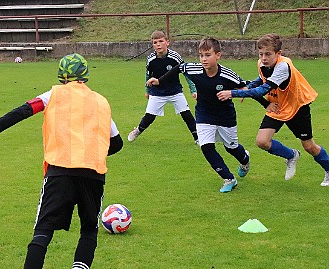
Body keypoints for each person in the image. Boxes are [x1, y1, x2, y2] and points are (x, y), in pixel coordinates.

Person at [0, 53, 123, 269]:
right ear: (85, 75)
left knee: (43, 232)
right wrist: (88, 152)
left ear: (61, 76)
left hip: (59, 172)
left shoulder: (52, 95)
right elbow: (117, 143)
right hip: (93, 174)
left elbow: (19, 113)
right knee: (89, 230)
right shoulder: (101, 102)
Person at [217, 33, 329, 186]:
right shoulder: (262, 64)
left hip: (297, 107)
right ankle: (291, 155)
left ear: (278, 54)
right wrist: (247, 87)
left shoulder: (283, 66)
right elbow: (261, 80)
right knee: (262, 141)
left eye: (268, 54)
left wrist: (234, 93)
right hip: (278, 106)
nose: (264, 58)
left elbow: (261, 90)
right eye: (261, 54)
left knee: (309, 146)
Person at [147, 37, 250, 193]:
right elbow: (178, 68)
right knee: (206, 147)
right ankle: (229, 178)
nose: (203, 59)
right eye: (201, 55)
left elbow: (245, 87)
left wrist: (258, 100)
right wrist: (159, 81)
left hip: (225, 117)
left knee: (231, 148)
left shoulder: (228, 75)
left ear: (218, 55)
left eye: (208, 55)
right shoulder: (194, 68)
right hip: (204, 115)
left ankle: (245, 160)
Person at [127, 30, 198, 144]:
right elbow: (148, 75)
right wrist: (147, 90)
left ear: (167, 42)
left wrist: (193, 89)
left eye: (161, 41)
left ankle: (197, 138)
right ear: (152, 44)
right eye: (155, 42)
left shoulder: (175, 57)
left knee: (187, 115)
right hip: (157, 93)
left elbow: (186, 73)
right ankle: (138, 130)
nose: (158, 44)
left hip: (175, 91)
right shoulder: (151, 59)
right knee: (149, 117)